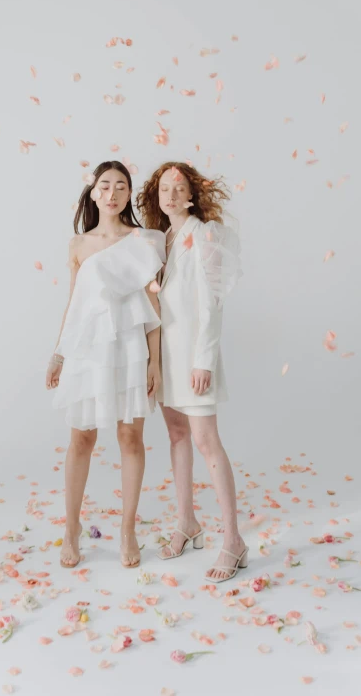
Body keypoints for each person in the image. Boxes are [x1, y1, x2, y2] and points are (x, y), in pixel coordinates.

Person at [46, 161, 165, 570]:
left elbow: (153, 301)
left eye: (120, 186)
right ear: (93, 193)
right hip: (89, 349)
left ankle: (128, 528)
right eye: (105, 186)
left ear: (128, 193)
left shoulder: (143, 241)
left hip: (130, 346)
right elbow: (74, 304)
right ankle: (71, 527)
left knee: (130, 437)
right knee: (82, 438)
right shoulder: (78, 245)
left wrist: (156, 361)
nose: (112, 193)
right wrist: (59, 354)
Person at [136, 161, 246, 583]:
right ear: (156, 195)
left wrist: (204, 360)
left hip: (195, 358)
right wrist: (153, 361)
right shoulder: (162, 239)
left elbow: (212, 305)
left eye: (178, 187)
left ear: (192, 193)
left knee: (206, 440)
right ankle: (187, 522)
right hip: (168, 355)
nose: (170, 194)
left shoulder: (205, 235)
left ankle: (233, 539)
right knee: (177, 436)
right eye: (163, 188)